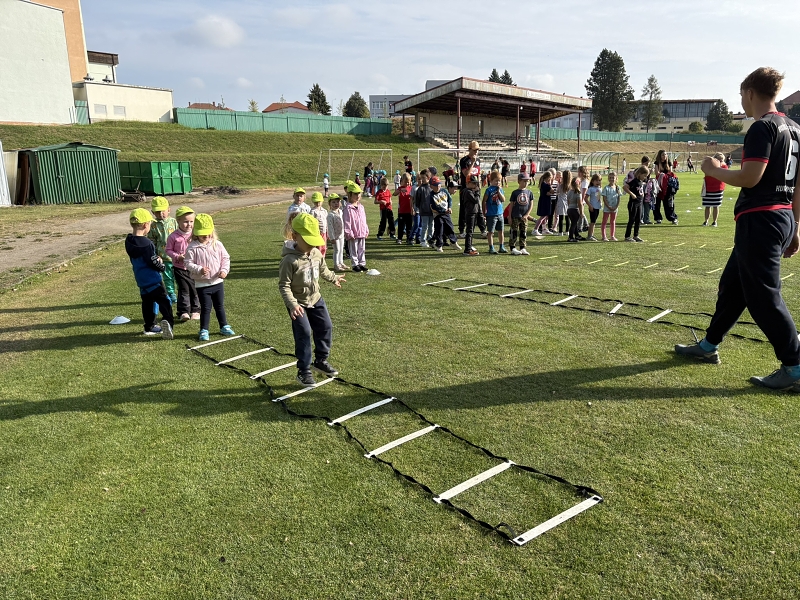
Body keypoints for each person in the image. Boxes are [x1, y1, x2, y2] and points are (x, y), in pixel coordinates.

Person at [676, 67, 800, 390]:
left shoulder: (762, 128)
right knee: (733, 286)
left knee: (763, 297)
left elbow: (750, 177)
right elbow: (798, 185)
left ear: (749, 92)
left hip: (761, 220)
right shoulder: (795, 129)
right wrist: (796, 226)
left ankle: (795, 364)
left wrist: (714, 169)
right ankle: (709, 345)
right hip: (781, 216)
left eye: (741, 95)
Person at [279, 212, 345, 386]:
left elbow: (323, 270)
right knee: (304, 333)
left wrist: (334, 278)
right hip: (297, 303)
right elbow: (284, 285)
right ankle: (304, 371)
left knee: (326, 326)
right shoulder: (289, 261)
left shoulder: (316, 252)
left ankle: (320, 361)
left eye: (313, 240)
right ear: (295, 236)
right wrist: (292, 304)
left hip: (316, 299)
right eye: (307, 241)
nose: (311, 245)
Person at [184, 214, 234, 342]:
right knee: (206, 308)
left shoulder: (217, 244)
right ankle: (204, 330)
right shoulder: (192, 247)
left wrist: (224, 270)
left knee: (219, 306)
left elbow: (225, 258)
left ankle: (224, 326)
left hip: (217, 282)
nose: (206, 237)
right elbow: (188, 263)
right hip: (202, 284)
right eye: (202, 235)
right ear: (196, 234)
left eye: (208, 234)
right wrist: (199, 269)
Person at [125, 208, 174, 339]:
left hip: (141, 280)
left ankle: (149, 327)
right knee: (164, 301)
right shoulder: (147, 244)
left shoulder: (128, 241)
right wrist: (162, 265)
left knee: (148, 303)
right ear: (146, 225)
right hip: (153, 280)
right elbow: (152, 261)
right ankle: (168, 323)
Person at [166, 206, 201, 323]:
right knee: (184, 290)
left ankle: (196, 311)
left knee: (195, 289)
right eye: (186, 222)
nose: (189, 224)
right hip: (180, 268)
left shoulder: (196, 235)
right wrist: (177, 256)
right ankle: (183, 312)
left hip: (194, 268)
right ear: (178, 221)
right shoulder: (173, 236)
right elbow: (168, 250)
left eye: (191, 221)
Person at [147, 196, 178, 303]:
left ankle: (184, 293)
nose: (161, 214)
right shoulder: (153, 225)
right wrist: (155, 254)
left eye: (163, 211)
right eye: (157, 211)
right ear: (153, 212)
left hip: (177, 257)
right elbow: (152, 241)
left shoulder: (174, 222)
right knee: (168, 278)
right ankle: (171, 294)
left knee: (180, 277)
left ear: (168, 210)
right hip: (163, 257)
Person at [459, 141, 487, 238]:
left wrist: (479, 185)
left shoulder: (478, 160)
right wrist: (472, 163)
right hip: (466, 188)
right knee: (464, 209)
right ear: (469, 149)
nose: (476, 152)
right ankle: (462, 230)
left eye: (477, 150)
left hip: (476, 188)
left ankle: (483, 229)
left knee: (478, 208)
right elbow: (466, 174)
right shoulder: (464, 160)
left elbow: (477, 174)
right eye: (474, 150)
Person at [429, 176, 461, 252]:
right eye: (436, 185)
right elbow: (433, 207)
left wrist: (449, 208)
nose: (438, 187)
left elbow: (449, 199)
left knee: (450, 227)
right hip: (438, 215)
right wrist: (443, 211)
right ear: (431, 186)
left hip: (446, 213)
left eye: (439, 185)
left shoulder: (444, 191)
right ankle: (439, 245)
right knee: (439, 229)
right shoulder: (431, 195)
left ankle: (453, 242)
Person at [342, 182, 369, 271]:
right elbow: (347, 221)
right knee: (353, 249)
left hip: (361, 231)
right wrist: (349, 232)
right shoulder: (348, 208)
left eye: (359, 193)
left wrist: (366, 229)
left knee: (362, 248)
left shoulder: (361, 207)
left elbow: (364, 219)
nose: (358, 195)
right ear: (350, 194)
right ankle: (355, 264)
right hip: (353, 233)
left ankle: (362, 263)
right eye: (355, 194)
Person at [508, 172, 534, 255]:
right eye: (524, 181)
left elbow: (531, 204)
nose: (526, 183)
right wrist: (509, 216)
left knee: (523, 232)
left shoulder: (529, 192)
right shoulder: (515, 193)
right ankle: (513, 247)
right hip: (515, 215)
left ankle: (522, 247)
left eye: (527, 181)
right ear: (519, 181)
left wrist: (527, 215)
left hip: (524, 217)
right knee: (514, 231)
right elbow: (511, 205)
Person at [482, 171, 506, 253]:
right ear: (491, 181)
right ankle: (491, 247)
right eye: (496, 181)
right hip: (491, 214)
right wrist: (484, 212)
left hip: (500, 213)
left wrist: (499, 192)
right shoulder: (489, 190)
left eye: (499, 181)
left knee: (501, 231)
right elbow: (484, 201)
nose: (498, 182)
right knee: (491, 232)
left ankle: (501, 246)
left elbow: (503, 200)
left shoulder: (500, 189)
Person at [702, 152, 728, 227]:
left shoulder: (724, 167)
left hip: (718, 188)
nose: (720, 161)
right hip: (708, 188)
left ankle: (714, 221)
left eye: (722, 160)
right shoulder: (709, 167)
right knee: (707, 205)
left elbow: (723, 173)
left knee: (716, 206)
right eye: (719, 159)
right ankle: (706, 221)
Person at [624, 166, 649, 242]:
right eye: (644, 175)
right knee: (632, 219)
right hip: (633, 204)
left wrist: (643, 195)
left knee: (638, 220)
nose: (645, 177)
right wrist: (632, 194)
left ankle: (636, 235)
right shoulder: (634, 181)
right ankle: (627, 236)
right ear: (640, 174)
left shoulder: (641, 182)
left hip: (640, 203)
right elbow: (625, 187)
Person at [460, 175, 481, 256]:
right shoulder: (468, 191)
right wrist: (477, 192)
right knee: (469, 231)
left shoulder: (470, 191)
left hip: (473, 212)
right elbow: (475, 200)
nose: (475, 185)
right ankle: (467, 249)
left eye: (476, 183)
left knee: (471, 231)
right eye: (474, 183)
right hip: (470, 213)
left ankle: (469, 246)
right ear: (468, 183)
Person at [326, 194, 346, 272]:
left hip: (341, 234)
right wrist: (332, 237)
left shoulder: (340, 212)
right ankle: (336, 264)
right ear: (330, 204)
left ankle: (341, 262)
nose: (336, 204)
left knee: (341, 249)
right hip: (335, 236)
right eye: (333, 202)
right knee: (336, 250)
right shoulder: (330, 215)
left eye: (337, 202)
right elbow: (330, 227)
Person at [414, 169, 433, 247]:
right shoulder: (420, 189)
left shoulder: (432, 187)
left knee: (432, 226)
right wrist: (421, 207)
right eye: (421, 178)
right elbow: (417, 201)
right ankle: (423, 240)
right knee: (424, 226)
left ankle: (431, 240)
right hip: (424, 211)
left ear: (428, 178)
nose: (422, 180)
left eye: (423, 178)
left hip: (432, 211)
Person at [393, 172, 414, 244]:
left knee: (409, 226)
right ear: (402, 181)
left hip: (409, 210)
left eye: (408, 182)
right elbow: (394, 194)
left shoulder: (411, 188)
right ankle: (399, 238)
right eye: (405, 182)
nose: (407, 184)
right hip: (402, 211)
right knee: (401, 226)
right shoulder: (400, 188)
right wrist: (399, 190)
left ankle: (409, 238)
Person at [601, 172, 622, 241]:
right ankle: (604, 236)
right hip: (607, 208)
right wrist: (608, 206)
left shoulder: (618, 188)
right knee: (604, 221)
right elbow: (604, 198)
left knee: (613, 221)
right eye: (610, 178)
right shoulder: (606, 188)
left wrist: (616, 206)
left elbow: (619, 197)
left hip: (615, 208)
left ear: (616, 178)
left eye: (613, 178)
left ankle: (612, 236)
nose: (611, 179)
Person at [534, 171, 554, 235]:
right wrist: (551, 185)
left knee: (545, 216)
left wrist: (549, 193)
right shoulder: (546, 185)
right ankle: (535, 229)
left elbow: (548, 193)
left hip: (543, 200)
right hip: (545, 201)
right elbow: (552, 191)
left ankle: (544, 229)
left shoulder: (542, 184)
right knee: (543, 216)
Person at [566, 176, 584, 243]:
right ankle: (570, 237)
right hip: (575, 210)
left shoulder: (569, 192)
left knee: (574, 223)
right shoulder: (578, 193)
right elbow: (580, 204)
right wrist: (581, 212)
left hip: (569, 209)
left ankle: (576, 235)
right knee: (573, 224)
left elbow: (568, 201)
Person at [553, 170, 571, 236]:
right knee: (567, 217)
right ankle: (567, 231)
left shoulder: (561, 186)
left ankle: (560, 232)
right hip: (567, 202)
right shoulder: (570, 186)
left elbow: (557, 192)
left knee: (561, 217)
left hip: (561, 201)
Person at [586, 174, 603, 241]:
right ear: (593, 181)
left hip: (597, 207)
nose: (598, 182)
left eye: (599, 180)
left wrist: (601, 203)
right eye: (596, 180)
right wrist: (590, 206)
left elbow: (598, 197)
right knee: (592, 222)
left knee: (594, 222)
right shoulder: (591, 189)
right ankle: (589, 236)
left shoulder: (599, 188)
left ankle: (591, 235)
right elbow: (585, 198)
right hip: (593, 207)